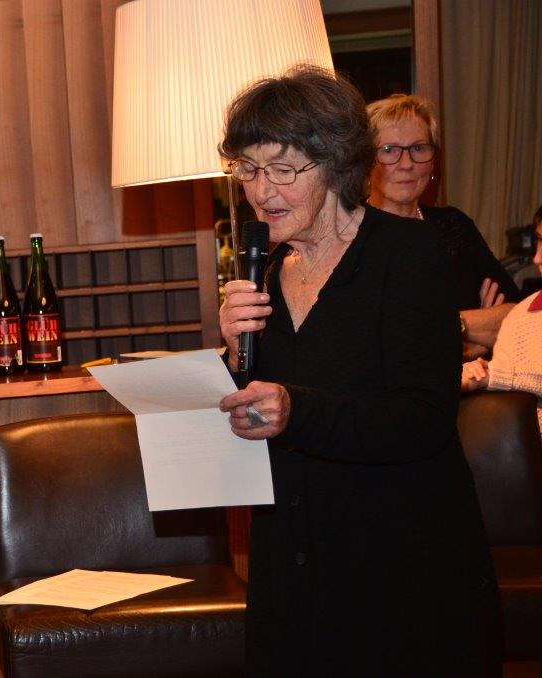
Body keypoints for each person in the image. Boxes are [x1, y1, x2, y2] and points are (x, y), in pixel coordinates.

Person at [217, 66, 501, 675]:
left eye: (282, 169)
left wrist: (295, 410)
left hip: (399, 567)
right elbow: (257, 407)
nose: (261, 191)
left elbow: (422, 419)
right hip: (295, 561)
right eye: (248, 169)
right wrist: (232, 355)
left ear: (335, 163)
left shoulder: (408, 255)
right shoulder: (269, 272)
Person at [366, 93, 521, 358]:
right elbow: (374, 345)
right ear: (364, 161)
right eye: (389, 150)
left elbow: (518, 319)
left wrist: (457, 325)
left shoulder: (453, 225)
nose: (407, 164)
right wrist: (474, 336)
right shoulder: (349, 233)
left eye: (418, 148)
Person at [463, 205, 542, 430]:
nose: (537, 258)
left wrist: (494, 375)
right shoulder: (521, 316)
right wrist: (479, 372)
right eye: (539, 240)